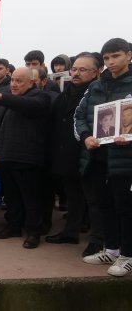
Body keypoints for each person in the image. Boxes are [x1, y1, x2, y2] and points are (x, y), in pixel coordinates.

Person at [74, 38, 132, 277]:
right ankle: (112, 249)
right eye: (107, 58)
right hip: (97, 156)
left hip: (125, 159)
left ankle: (128, 255)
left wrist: (128, 136)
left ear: (129, 55)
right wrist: (86, 136)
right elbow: (80, 115)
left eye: (116, 56)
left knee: (126, 208)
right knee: (104, 205)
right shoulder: (95, 86)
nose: (111, 62)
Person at [0, 67, 51, 249]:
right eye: (12, 80)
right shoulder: (6, 99)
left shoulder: (39, 97)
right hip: (4, 156)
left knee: (30, 198)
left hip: (27, 159)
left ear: (31, 82)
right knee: (12, 196)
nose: (14, 84)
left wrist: (3, 97)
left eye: (19, 81)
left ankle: (33, 232)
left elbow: (28, 106)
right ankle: (13, 226)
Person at [46, 54, 101, 254]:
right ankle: (71, 232)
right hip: (65, 153)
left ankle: (99, 241)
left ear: (96, 72)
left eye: (82, 70)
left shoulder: (96, 92)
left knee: (93, 200)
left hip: (88, 153)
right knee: (73, 196)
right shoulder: (66, 91)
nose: (76, 73)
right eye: (75, 69)